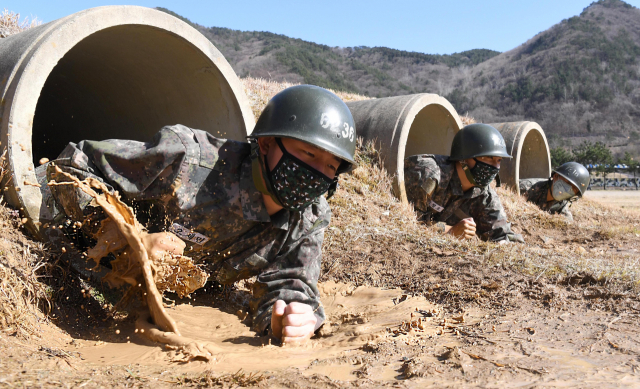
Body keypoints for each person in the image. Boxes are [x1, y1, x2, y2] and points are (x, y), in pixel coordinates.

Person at [38, 85, 357, 344]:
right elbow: (71, 168)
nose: (315, 173)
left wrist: (291, 318)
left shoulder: (311, 215)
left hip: (146, 301)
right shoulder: (188, 159)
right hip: (55, 243)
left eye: (329, 166)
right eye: (308, 154)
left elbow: (292, 282)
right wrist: (131, 236)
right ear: (266, 143)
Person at [404, 123, 523, 243]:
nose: (495, 167)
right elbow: (410, 222)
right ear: (464, 159)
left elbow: (502, 236)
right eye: (488, 158)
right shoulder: (429, 174)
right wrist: (450, 231)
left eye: (499, 160)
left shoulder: (484, 195)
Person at [519, 162, 590, 222]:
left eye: (574, 189)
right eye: (568, 183)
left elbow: (567, 222)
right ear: (556, 176)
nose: (568, 189)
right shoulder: (528, 187)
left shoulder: (561, 205)